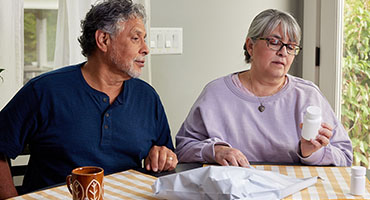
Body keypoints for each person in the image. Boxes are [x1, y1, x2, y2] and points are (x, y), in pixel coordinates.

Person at [0, 0, 177, 198]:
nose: (146, 48)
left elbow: (164, 153)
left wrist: (164, 156)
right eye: (136, 38)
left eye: (144, 39)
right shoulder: (44, 91)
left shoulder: (148, 97)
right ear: (103, 40)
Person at [175, 9, 352, 168]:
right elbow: (182, 149)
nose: (283, 52)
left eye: (291, 47)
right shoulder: (215, 92)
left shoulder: (308, 95)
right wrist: (215, 151)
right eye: (274, 42)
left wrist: (311, 153)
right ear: (250, 46)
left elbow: (345, 155)